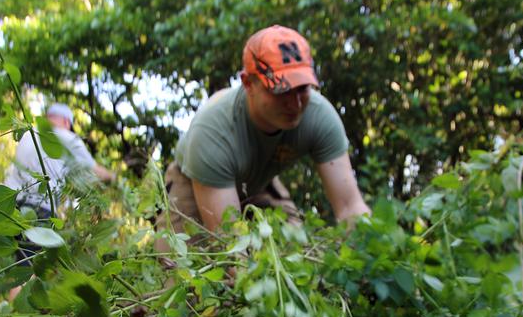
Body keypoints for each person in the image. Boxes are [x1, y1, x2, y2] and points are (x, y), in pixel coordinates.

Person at [157, 24, 370, 242]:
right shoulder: (212, 132)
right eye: (282, 91)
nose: (295, 103)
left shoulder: (319, 116)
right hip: (196, 183)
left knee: (296, 250)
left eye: (302, 88)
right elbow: (230, 245)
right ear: (248, 83)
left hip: (257, 182)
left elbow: (350, 207)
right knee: (182, 267)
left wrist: (377, 253)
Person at [5, 103, 115, 221]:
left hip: (9, 206)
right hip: (40, 210)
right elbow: (94, 172)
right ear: (67, 122)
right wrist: (114, 177)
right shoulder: (68, 137)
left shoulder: (28, 134)